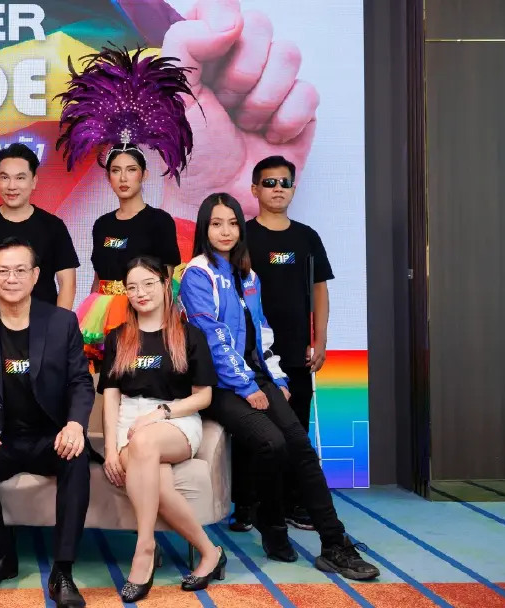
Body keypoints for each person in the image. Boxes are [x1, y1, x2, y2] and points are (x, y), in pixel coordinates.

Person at [177, 193, 379, 581]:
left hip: (255, 376)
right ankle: (271, 523)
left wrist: (277, 378)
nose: (225, 231)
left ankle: (334, 544)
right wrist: (246, 386)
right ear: (204, 229)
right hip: (216, 385)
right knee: (271, 443)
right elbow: (214, 338)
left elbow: (261, 331)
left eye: (232, 223)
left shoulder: (249, 276)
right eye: (216, 223)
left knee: (300, 445)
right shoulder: (197, 274)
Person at [0, 237, 94, 608]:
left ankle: (63, 570)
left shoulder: (61, 322)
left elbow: (80, 381)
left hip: (50, 435)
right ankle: (2, 555)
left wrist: (75, 424)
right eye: (2, 271)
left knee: (77, 459)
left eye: (20, 270)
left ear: (36, 275)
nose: (11, 279)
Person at [98, 256, 226, 601]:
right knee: (157, 477)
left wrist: (160, 413)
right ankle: (210, 552)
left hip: (177, 418)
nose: (141, 293)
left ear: (166, 284)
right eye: (132, 287)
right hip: (129, 420)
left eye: (149, 284)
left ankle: (144, 548)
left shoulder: (189, 335)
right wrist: (110, 451)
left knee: (145, 442)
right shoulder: (118, 338)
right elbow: (111, 398)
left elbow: (203, 397)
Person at [54, 46, 186, 364]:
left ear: (144, 174)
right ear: (108, 177)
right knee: (106, 378)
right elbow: (98, 277)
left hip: (145, 310)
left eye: (131, 170)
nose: (123, 178)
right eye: (116, 170)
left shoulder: (159, 221)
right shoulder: (102, 224)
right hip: (102, 312)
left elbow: (169, 276)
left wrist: (163, 318)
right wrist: (90, 314)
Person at [243, 154, 334, 531]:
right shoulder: (242, 235)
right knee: (253, 432)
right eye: (269, 182)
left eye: (284, 183)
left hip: (296, 353)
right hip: (251, 355)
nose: (277, 189)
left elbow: (320, 290)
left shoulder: (307, 237)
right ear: (255, 190)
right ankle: (248, 505)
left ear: (294, 189)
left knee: (295, 430)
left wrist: (321, 339)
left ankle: (294, 503)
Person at [0, 143, 79, 313]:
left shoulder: (53, 226)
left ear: (34, 181)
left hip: (44, 323)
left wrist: (60, 324)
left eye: (20, 178)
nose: (11, 186)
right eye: (5, 177)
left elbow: (67, 282)